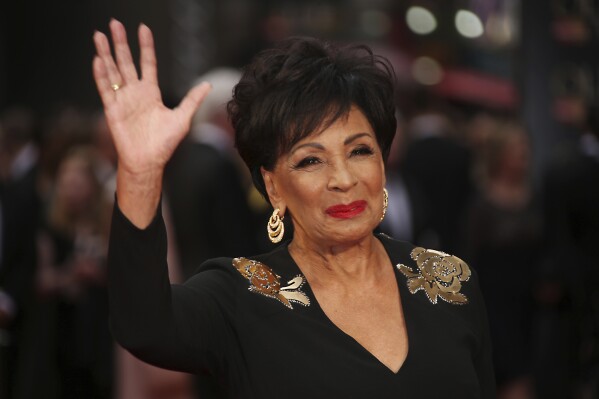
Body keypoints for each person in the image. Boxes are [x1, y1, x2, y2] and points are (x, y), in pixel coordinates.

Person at [92, 19, 495, 398]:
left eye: (359, 151)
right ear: (273, 186)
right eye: (310, 160)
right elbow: (144, 326)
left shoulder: (450, 282)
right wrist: (141, 174)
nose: (343, 178)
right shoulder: (242, 295)